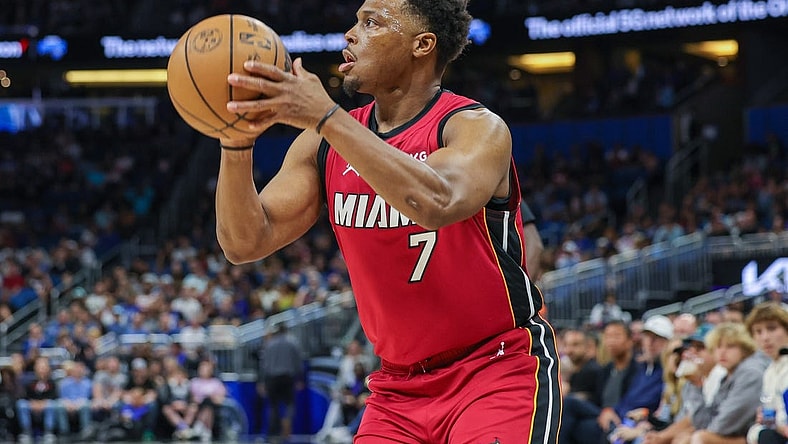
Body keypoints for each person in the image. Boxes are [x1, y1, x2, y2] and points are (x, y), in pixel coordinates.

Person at [216, 0, 562, 441]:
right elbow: (244, 242)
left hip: (494, 369)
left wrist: (326, 116)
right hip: (397, 389)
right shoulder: (320, 143)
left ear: (422, 45)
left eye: (372, 22)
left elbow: (437, 200)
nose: (349, 33)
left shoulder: (475, 127)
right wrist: (235, 143)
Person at [745, 303, 788, 444]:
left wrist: (773, 425)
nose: (765, 337)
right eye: (758, 332)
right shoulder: (769, 372)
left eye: (772, 328)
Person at [259, 324, 304, 443]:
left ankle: (274, 434)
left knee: (273, 406)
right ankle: (287, 420)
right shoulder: (292, 342)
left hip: (272, 378)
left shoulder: (269, 344)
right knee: (289, 403)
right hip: (287, 377)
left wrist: (261, 382)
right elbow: (298, 361)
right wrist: (300, 379)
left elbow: (264, 365)